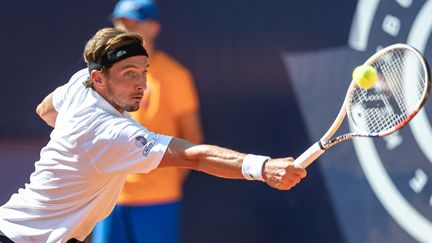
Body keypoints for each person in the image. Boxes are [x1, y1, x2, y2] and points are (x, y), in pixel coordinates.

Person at [0, 27, 306, 243]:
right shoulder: (111, 133)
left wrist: (74, 142)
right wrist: (262, 167)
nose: (141, 84)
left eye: (144, 71)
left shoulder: (81, 83)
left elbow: (45, 110)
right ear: (100, 79)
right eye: (128, 73)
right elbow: (195, 157)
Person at [92, 1, 204, 242]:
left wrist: (161, 175)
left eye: (133, 24)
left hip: (157, 198)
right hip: (109, 195)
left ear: (154, 28)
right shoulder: (103, 76)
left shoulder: (174, 75)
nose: (124, 29)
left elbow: (192, 137)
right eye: (120, 23)